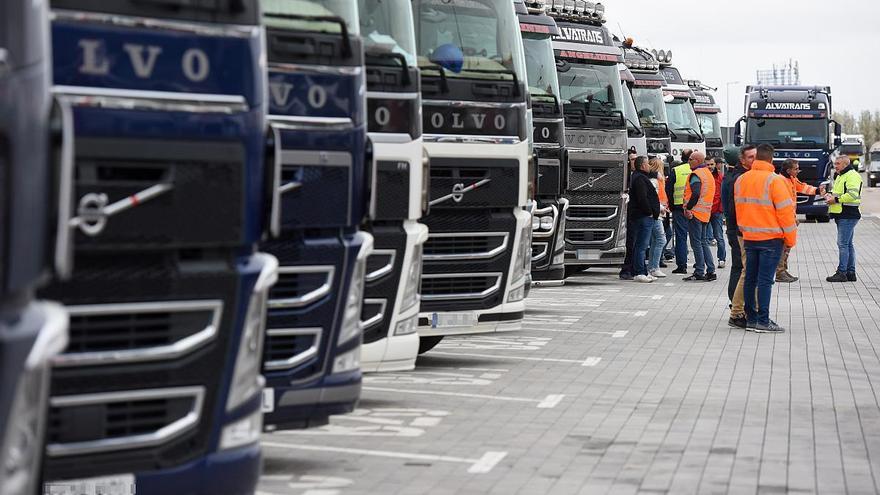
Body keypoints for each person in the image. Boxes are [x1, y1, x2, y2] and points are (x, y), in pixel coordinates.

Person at [734, 143, 797, 333]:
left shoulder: (741, 180)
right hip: (771, 239)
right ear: (771, 159)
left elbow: (739, 209)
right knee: (765, 280)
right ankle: (763, 320)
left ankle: (751, 319)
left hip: (749, 237)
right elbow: (785, 214)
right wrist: (790, 240)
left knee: (751, 278)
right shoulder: (775, 181)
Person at [721, 145, 755, 329]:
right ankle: (737, 307)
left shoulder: (730, 177)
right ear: (740, 160)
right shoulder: (738, 179)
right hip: (738, 229)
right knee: (740, 268)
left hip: (734, 228)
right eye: (751, 157)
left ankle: (736, 305)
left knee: (738, 267)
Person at [776, 159, 825, 283]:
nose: (798, 171)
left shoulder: (791, 179)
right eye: (796, 169)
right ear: (788, 170)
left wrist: (817, 191)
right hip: (783, 220)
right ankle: (779, 272)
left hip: (789, 219)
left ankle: (782, 270)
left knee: (787, 245)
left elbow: (802, 187)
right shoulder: (780, 181)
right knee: (782, 246)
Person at [825, 155, 863, 282]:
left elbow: (852, 194)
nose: (835, 166)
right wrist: (828, 195)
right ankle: (850, 273)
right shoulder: (841, 175)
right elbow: (838, 193)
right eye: (835, 164)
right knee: (848, 244)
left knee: (843, 244)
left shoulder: (852, 175)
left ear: (845, 164)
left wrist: (835, 199)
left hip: (848, 214)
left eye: (838, 164)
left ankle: (842, 273)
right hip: (843, 214)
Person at [682, 151, 717, 281]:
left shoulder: (696, 175)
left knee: (696, 243)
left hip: (695, 213)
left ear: (697, 161)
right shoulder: (708, 174)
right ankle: (711, 271)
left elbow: (695, 193)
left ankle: (699, 271)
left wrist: (688, 208)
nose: (688, 161)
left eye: (690, 159)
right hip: (705, 213)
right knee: (703, 243)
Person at [628, 156, 661, 282]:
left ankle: (643, 271)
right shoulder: (640, 178)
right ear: (642, 166)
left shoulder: (639, 177)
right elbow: (642, 198)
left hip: (642, 216)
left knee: (642, 245)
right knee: (641, 246)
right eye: (647, 164)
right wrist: (649, 212)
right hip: (643, 216)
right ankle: (639, 272)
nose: (649, 166)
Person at [666, 150, 694, 274]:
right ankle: (700, 264)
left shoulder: (676, 170)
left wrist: (671, 206)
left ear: (681, 157)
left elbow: (669, 190)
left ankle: (681, 266)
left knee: (681, 237)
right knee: (698, 238)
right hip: (696, 209)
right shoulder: (696, 170)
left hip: (679, 208)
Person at [620, 149, 641, 280]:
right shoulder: (625, 175)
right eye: (632, 159)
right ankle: (626, 269)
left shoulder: (638, 175)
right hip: (627, 214)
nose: (635, 162)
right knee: (629, 242)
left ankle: (631, 268)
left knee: (634, 242)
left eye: (636, 159)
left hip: (634, 214)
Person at [647, 157, 669, 278]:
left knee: (656, 240)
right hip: (656, 213)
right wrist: (661, 207)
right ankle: (654, 267)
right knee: (661, 239)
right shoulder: (655, 181)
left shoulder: (656, 180)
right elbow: (653, 197)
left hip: (658, 211)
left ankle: (652, 267)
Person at [707, 157, 726, 267]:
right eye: (708, 164)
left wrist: (720, 208)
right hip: (705, 210)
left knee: (719, 236)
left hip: (716, 211)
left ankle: (721, 259)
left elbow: (722, 194)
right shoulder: (703, 176)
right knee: (702, 238)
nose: (710, 167)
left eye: (711, 164)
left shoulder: (720, 177)